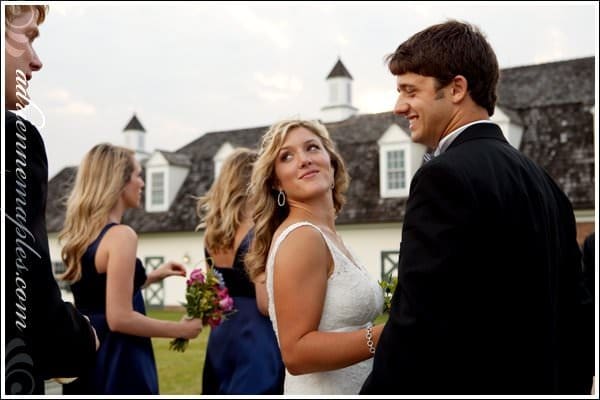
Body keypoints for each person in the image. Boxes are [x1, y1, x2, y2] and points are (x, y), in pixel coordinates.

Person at [361, 20, 594, 394]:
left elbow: (417, 324)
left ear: (456, 89)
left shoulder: (444, 177)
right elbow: (578, 322)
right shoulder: (547, 185)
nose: (398, 106)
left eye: (410, 90)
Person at [245, 119, 385, 394]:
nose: (304, 160)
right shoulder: (302, 237)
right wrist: (385, 336)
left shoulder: (330, 237)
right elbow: (296, 353)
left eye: (312, 148)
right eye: (287, 156)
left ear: (332, 165)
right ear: (276, 182)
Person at [4, 5, 98, 394]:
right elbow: (22, 283)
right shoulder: (13, 139)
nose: (37, 61)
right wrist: (79, 337)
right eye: (26, 37)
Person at [58, 143, 203, 394]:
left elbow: (99, 290)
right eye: (137, 174)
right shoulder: (121, 236)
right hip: (118, 358)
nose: (142, 183)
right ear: (119, 182)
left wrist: (154, 276)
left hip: (88, 353)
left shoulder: (81, 235)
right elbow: (119, 318)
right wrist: (181, 330)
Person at [197, 148, 285, 394]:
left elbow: (214, 295)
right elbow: (264, 303)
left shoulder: (211, 234)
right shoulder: (259, 232)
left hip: (223, 332)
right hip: (256, 334)